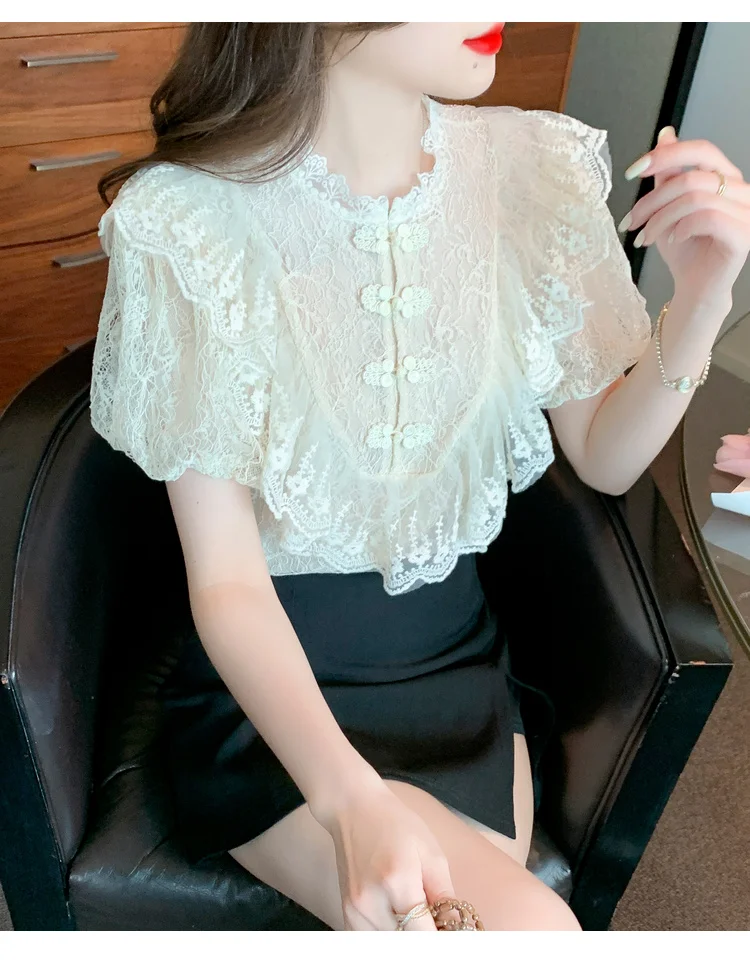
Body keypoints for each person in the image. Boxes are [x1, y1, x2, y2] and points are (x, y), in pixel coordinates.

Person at [90, 23, 749, 932]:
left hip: (456, 672)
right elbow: (228, 580)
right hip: (274, 696)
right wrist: (349, 801)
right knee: (531, 930)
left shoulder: (530, 170)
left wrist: (703, 299)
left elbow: (605, 454)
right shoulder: (189, 217)